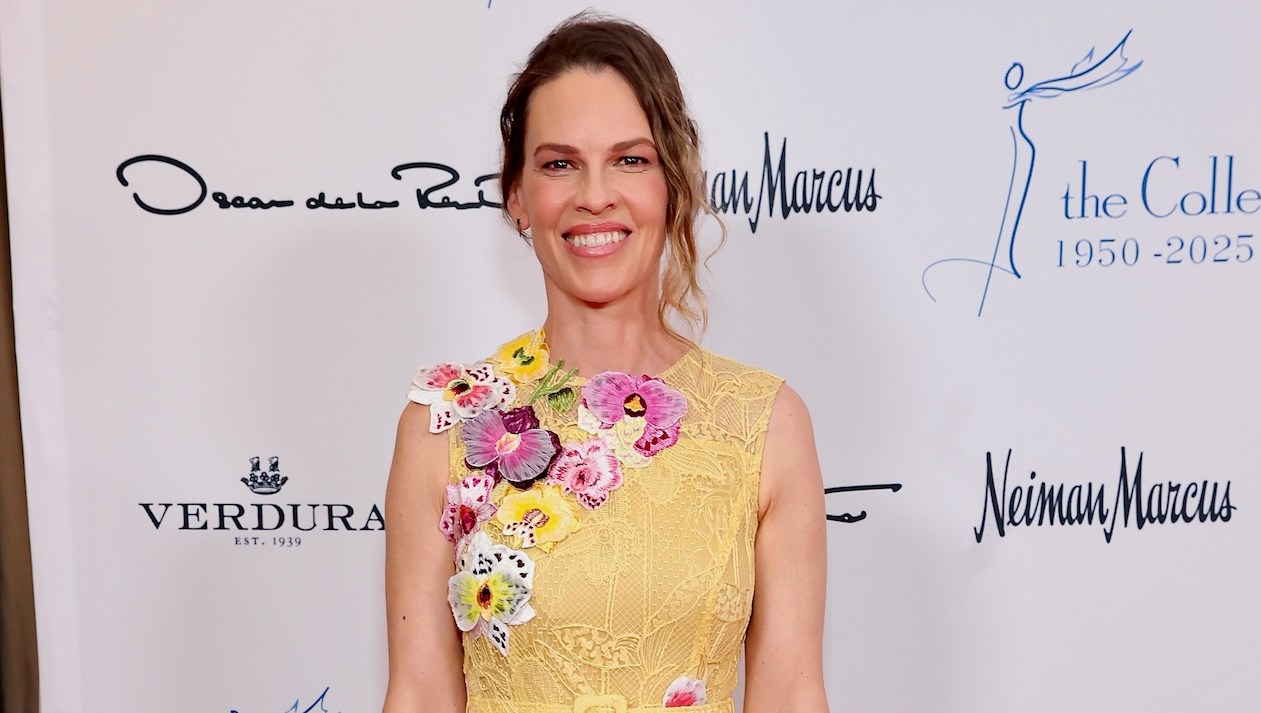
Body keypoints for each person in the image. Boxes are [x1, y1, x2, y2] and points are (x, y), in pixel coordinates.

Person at [382, 13, 828, 713]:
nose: (594, 195)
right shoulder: (445, 425)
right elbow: (418, 693)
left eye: (630, 160)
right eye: (560, 164)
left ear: (672, 185)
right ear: (517, 196)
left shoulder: (764, 423)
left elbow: (792, 693)